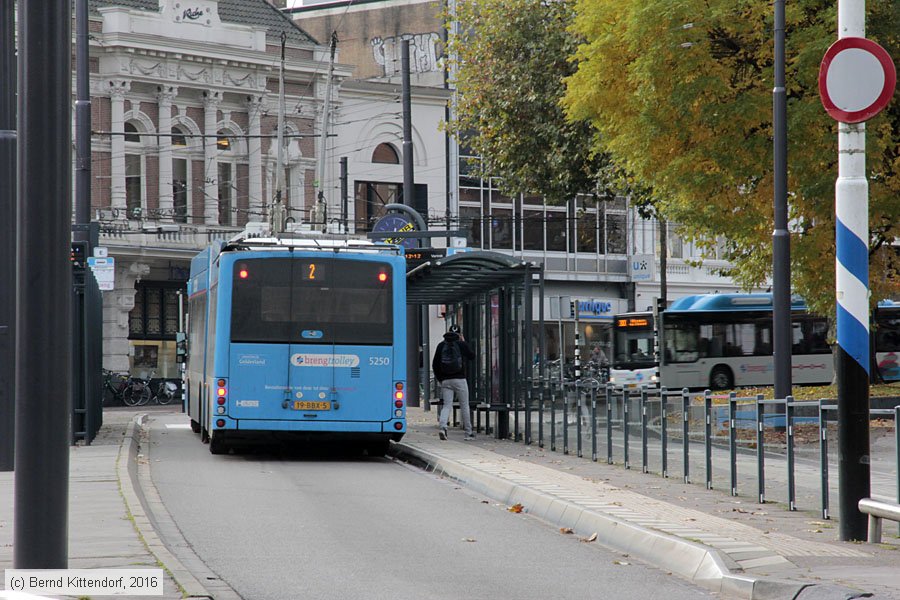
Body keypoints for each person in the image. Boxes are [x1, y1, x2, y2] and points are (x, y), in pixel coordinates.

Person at [432, 324, 476, 440]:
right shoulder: (461, 344)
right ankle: (468, 433)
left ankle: (442, 427)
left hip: (446, 381)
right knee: (464, 406)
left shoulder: (441, 346)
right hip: (460, 379)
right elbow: (472, 356)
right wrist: (464, 342)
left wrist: (441, 379)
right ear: (460, 335)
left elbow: (435, 364)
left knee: (447, 405)